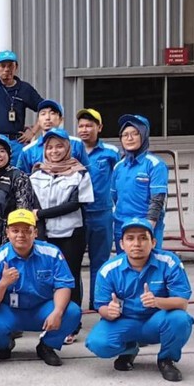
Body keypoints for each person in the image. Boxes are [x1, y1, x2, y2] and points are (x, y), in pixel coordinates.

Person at [87, 219, 193, 382]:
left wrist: (157, 301)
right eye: (130, 238)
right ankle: (129, 349)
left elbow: (182, 303)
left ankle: (166, 359)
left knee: (180, 319)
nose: (137, 244)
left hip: (157, 321)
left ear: (153, 242)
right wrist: (109, 312)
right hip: (125, 321)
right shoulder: (109, 269)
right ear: (122, 244)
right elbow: (101, 306)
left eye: (143, 238)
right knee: (97, 343)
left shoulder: (169, 262)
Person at [0, 209, 81, 366]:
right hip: (9, 311)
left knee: (72, 312)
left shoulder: (52, 253)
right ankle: (5, 344)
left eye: (27, 230)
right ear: (7, 233)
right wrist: (3, 283)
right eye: (15, 230)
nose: (21, 235)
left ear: (35, 233)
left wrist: (57, 312)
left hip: (42, 308)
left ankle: (47, 346)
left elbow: (63, 285)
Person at [28, 129, 94, 329]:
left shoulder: (80, 173)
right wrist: (39, 230)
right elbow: (33, 204)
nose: (54, 151)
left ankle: (72, 324)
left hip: (71, 234)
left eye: (59, 146)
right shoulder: (37, 173)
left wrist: (41, 214)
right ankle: (50, 320)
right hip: (45, 235)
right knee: (46, 278)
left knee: (70, 277)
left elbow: (75, 204)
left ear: (67, 148)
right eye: (49, 147)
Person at [76, 108, 120, 307]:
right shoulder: (72, 150)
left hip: (102, 214)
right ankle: (74, 304)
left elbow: (119, 180)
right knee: (74, 262)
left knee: (100, 261)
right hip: (77, 214)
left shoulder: (111, 152)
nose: (84, 129)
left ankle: (98, 303)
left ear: (99, 127)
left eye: (89, 126)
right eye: (81, 126)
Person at [111, 114, 169, 248]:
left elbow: (157, 200)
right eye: (125, 135)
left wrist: (148, 228)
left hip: (146, 227)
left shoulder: (155, 164)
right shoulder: (118, 166)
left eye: (135, 134)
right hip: (122, 226)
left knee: (148, 261)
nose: (129, 138)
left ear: (144, 135)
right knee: (124, 261)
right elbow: (114, 198)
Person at [0, 134, 37, 256]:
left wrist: (15, 235)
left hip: (11, 239)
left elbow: (23, 209)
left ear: (9, 153)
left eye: (2, 151)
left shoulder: (18, 176)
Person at [14, 99, 89, 174]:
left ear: (61, 119)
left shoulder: (76, 144)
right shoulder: (28, 151)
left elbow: (87, 172)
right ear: (38, 121)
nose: (47, 118)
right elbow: (21, 177)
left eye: (52, 113)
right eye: (43, 114)